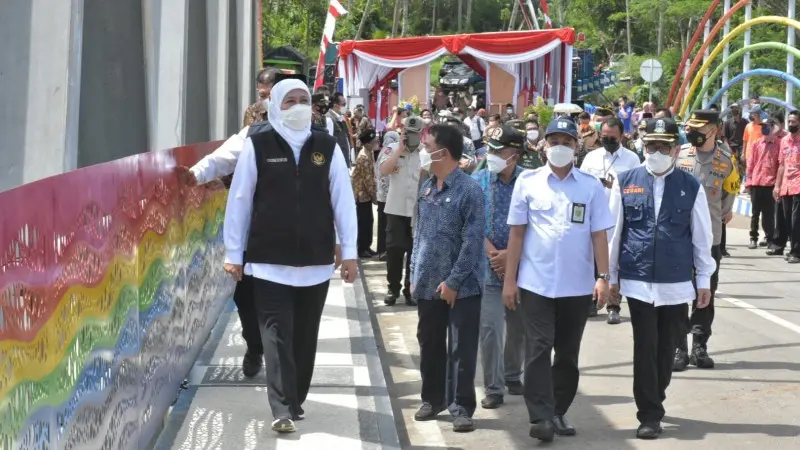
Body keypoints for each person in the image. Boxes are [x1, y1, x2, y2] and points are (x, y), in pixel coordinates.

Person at [223, 78, 358, 433]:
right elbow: (239, 200)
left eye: (304, 100)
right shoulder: (258, 144)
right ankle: (281, 408)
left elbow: (343, 202)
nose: (298, 106)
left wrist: (351, 253)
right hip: (268, 261)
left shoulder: (326, 147)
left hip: (315, 263)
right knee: (275, 333)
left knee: (304, 337)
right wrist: (233, 253)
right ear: (276, 105)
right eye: (290, 101)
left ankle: (294, 400)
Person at [502, 117, 614, 442]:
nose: (560, 148)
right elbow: (517, 235)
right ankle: (539, 417)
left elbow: (598, 236)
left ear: (577, 147)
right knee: (538, 348)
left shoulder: (590, 186)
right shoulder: (528, 182)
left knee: (567, 353)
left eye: (567, 142)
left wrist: (603, 277)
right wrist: (510, 281)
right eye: (555, 142)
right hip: (535, 283)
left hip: (577, 286)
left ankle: (557, 411)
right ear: (543, 146)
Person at [609, 117, 715, 440]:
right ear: (643, 146)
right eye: (651, 145)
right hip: (637, 281)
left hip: (675, 284)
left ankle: (657, 395)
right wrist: (609, 278)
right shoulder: (625, 180)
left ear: (676, 148)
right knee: (645, 347)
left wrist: (704, 281)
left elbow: (702, 237)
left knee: (666, 349)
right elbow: (614, 234)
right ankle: (650, 413)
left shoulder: (690, 186)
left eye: (663, 146)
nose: (656, 151)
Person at [410, 124, 485, 433]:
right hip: (427, 282)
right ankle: (433, 398)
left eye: (427, 146)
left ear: (444, 152)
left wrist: (453, 282)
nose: (423, 151)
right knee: (429, 343)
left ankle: (462, 406)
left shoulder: (469, 190)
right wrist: (414, 273)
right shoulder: (427, 188)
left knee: (461, 348)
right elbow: (419, 236)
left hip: (463, 287)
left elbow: (472, 242)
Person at [674, 110, 740, 371]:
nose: (693, 133)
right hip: (679, 238)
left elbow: (727, 201)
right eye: (691, 128)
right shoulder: (679, 155)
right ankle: (678, 346)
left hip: (710, 239)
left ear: (714, 130)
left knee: (705, 294)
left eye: (699, 129)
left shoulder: (726, 162)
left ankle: (699, 346)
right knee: (679, 293)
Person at [472, 125, 527, 411]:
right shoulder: (478, 179)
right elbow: (468, 220)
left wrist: (510, 255)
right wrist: (491, 251)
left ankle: (512, 374)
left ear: (514, 154)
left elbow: (537, 225)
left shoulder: (528, 182)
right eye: (489, 149)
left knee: (518, 329)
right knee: (490, 328)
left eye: (498, 150)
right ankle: (493, 387)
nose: (490, 154)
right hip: (486, 267)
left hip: (521, 268)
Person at [579, 117, 642, 323]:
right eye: (604, 137)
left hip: (619, 218)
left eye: (612, 137)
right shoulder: (592, 158)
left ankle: (614, 305)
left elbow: (637, 188)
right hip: (594, 217)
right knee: (592, 260)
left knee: (615, 262)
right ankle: (592, 300)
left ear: (621, 136)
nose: (607, 140)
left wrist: (614, 186)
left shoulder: (632, 159)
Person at [378, 119, 422, 306]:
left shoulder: (426, 153)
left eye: (415, 132)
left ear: (421, 133)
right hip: (395, 209)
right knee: (394, 250)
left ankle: (410, 290)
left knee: (415, 253)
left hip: (417, 211)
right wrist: (399, 151)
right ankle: (392, 288)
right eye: (407, 131)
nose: (410, 136)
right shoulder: (391, 149)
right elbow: (383, 170)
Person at [746, 114, 784, 249]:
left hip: (770, 184)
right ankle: (753, 237)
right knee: (755, 212)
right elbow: (750, 164)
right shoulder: (756, 144)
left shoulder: (779, 144)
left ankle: (769, 238)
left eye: (767, 127)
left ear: (773, 128)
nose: (764, 129)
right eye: (763, 127)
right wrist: (748, 182)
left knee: (769, 214)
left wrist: (778, 184)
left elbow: (781, 164)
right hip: (756, 182)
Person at [771, 110, 800, 263]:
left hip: (799, 185)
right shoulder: (785, 141)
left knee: (796, 220)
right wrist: (777, 186)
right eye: (789, 122)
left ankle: (796, 252)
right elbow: (781, 165)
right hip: (786, 185)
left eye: (794, 122)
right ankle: (794, 248)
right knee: (788, 219)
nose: (790, 125)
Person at [352, 129, 379, 258]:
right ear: (367, 143)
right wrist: (375, 196)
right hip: (361, 194)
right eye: (374, 141)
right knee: (363, 222)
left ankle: (366, 246)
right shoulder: (363, 157)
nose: (376, 142)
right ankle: (361, 248)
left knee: (369, 221)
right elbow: (367, 179)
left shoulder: (370, 152)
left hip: (366, 194)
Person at [375, 132, 399, 260]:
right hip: (388, 195)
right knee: (387, 225)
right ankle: (384, 250)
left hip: (381, 195)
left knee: (383, 224)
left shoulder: (383, 152)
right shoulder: (390, 153)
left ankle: (382, 249)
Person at [327, 92, 352, 167]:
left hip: (343, 160)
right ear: (335, 105)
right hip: (336, 163)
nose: (345, 107)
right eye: (343, 104)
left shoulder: (341, 118)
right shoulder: (329, 118)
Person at [723, 104, 748, 178]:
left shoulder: (745, 122)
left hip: (742, 150)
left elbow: (747, 137)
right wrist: (728, 149)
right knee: (732, 170)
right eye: (732, 109)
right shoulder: (727, 123)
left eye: (736, 108)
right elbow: (724, 138)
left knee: (743, 171)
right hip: (732, 149)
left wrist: (744, 150)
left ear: (739, 109)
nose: (734, 110)